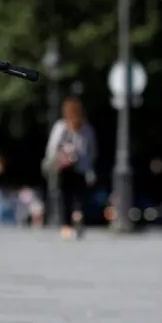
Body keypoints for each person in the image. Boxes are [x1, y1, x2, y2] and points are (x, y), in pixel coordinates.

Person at [44, 96, 97, 240]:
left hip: (64, 167)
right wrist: (88, 165)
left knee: (65, 197)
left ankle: (67, 227)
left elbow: (52, 147)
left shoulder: (61, 126)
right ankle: (78, 214)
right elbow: (92, 150)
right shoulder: (86, 128)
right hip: (81, 168)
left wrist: (51, 162)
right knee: (79, 196)